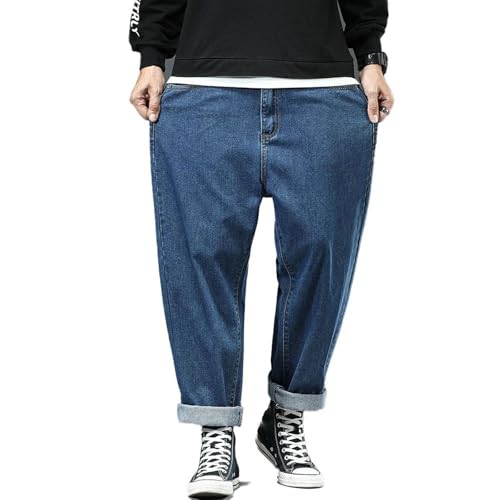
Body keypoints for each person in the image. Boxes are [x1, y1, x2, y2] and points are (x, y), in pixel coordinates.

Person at [129, 0, 393, 496]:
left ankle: (287, 414)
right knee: (201, 259)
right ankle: (215, 428)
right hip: (203, 85)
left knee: (321, 257)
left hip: (323, 86)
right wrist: (150, 56)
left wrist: (372, 55)